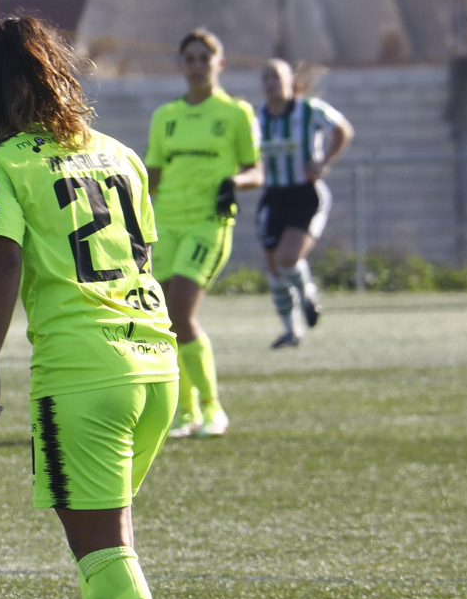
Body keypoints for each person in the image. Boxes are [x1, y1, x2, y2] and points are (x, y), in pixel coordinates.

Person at [0, 16, 182, 599]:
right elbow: (140, 251)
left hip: (85, 372)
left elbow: (3, 258)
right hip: (155, 361)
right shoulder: (120, 153)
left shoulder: (0, 163)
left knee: (102, 549)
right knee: (110, 536)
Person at [143, 28, 262, 438]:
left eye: (204, 59)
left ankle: (213, 409)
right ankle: (187, 413)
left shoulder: (236, 113)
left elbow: (256, 170)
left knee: (181, 313)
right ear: (180, 65)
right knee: (165, 321)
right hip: (167, 224)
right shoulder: (165, 117)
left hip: (208, 225)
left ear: (219, 64)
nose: (197, 66)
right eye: (189, 58)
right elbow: (153, 176)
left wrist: (236, 182)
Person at [256, 59, 353, 347]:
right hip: (273, 196)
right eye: (265, 77)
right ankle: (291, 331)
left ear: (291, 81)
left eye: (276, 76)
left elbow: (343, 130)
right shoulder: (256, 117)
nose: (270, 83)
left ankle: (307, 293)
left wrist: (325, 161)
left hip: (305, 195)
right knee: (274, 270)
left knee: (287, 258)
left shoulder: (309, 110)